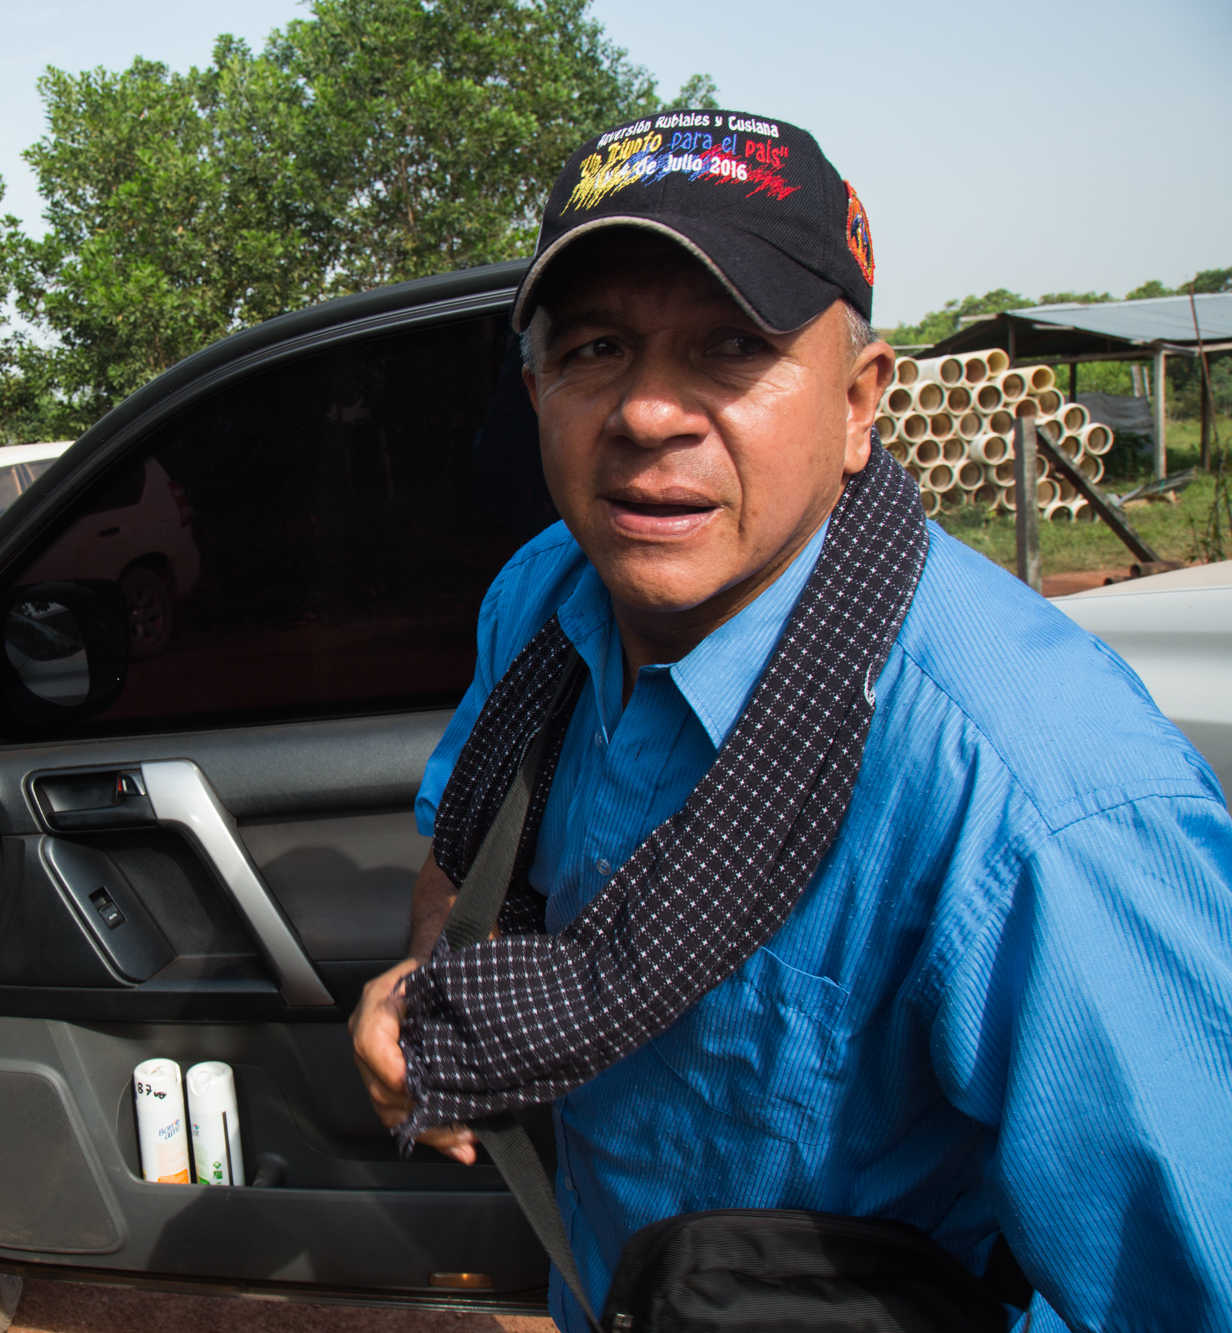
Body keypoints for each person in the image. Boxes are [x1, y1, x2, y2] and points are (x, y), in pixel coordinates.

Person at [350, 110, 1232, 1331]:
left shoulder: (1041, 804)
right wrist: (425, 987)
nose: (647, 413)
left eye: (728, 347)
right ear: (536, 389)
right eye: (596, 347)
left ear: (861, 400)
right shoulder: (540, 604)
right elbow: (464, 860)